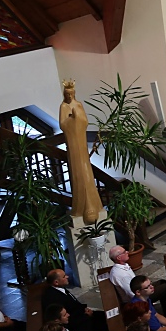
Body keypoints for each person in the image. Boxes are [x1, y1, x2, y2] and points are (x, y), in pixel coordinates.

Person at [59, 79, 104, 225]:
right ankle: (81, 207)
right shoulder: (63, 106)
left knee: (86, 171)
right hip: (72, 143)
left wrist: (77, 117)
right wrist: (71, 120)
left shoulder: (78, 105)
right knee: (78, 171)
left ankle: (93, 204)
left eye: (71, 94)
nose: (69, 96)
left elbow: (84, 121)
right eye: (67, 94)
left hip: (81, 141)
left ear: (74, 93)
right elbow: (63, 124)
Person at [42, 269, 106, 331]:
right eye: (64, 276)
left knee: (103, 314)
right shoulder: (53, 298)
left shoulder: (60, 288)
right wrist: (86, 315)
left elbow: (73, 303)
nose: (67, 277)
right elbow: (66, 317)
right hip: (76, 325)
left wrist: (84, 309)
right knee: (103, 322)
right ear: (56, 282)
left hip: (80, 314)